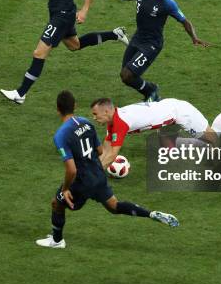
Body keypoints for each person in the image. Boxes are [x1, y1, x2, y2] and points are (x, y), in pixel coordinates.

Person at [36, 90, 179, 249]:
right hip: (98, 174)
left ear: (57, 109)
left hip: (82, 180)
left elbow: (71, 170)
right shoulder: (86, 122)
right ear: (75, 106)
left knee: (57, 203)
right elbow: (100, 151)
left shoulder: (60, 135)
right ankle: (150, 213)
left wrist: (66, 188)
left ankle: (57, 241)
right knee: (114, 206)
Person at [0, 0, 129, 105]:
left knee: (39, 52)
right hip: (55, 12)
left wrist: (84, 10)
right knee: (74, 45)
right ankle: (115, 34)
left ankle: (21, 93)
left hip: (63, 16)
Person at [115, 0, 209, 102]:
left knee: (127, 75)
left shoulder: (167, 3)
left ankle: (151, 91)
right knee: (125, 75)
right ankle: (151, 91)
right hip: (137, 38)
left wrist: (194, 37)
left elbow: (185, 21)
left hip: (152, 44)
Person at [90, 91, 221, 167]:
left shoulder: (120, 123)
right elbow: (106, 149)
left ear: (106, 111)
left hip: (181, 114)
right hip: (167, 113)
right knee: (167, 148)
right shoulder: (113, 120)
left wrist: (94, 175)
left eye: (96, 114)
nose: (94, 118)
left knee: (213, 139)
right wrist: (95, 166)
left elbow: (112, 155)